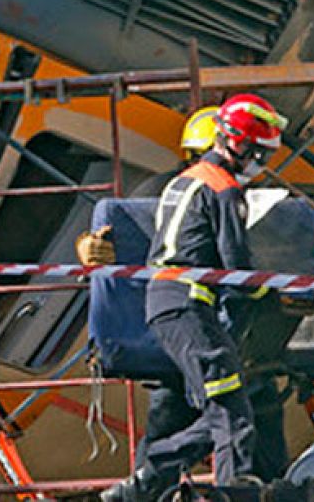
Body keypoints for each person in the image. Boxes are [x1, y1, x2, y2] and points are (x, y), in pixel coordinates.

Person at [102, 93, 286, 502]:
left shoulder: (185, 181)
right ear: (239, 143)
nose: (261, 164)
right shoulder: (224, 190)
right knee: (232, 409)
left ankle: (148, 478)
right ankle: (231, 491)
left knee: (228, 406)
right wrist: (270, 292)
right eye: (260, 154)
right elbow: (237, 268)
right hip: (188, 303)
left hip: (168, 303)